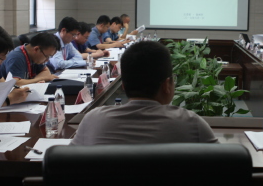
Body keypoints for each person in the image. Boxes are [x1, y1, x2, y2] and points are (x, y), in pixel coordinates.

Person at [70, 41, 218, 145]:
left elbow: (66, 165)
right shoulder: (192, 124)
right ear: (166, 85)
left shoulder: (93, 121)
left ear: (123, 86)